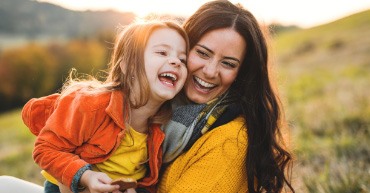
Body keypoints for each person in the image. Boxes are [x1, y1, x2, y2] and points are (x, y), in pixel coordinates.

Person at [21, 20, 189, 193]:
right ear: (128, 65)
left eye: (183, 59)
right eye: (162, 52)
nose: (176, 61)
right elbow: (45, 149)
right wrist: (86, 177)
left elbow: (145, 180)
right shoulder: (91, 105)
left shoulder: (163, 127)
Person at [158, 0, 295, 192]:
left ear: (242, 73)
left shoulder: (229, 141)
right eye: (203, 53)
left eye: (228, 64)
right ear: (183, 48)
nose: (210, 71)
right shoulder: (156, 109)